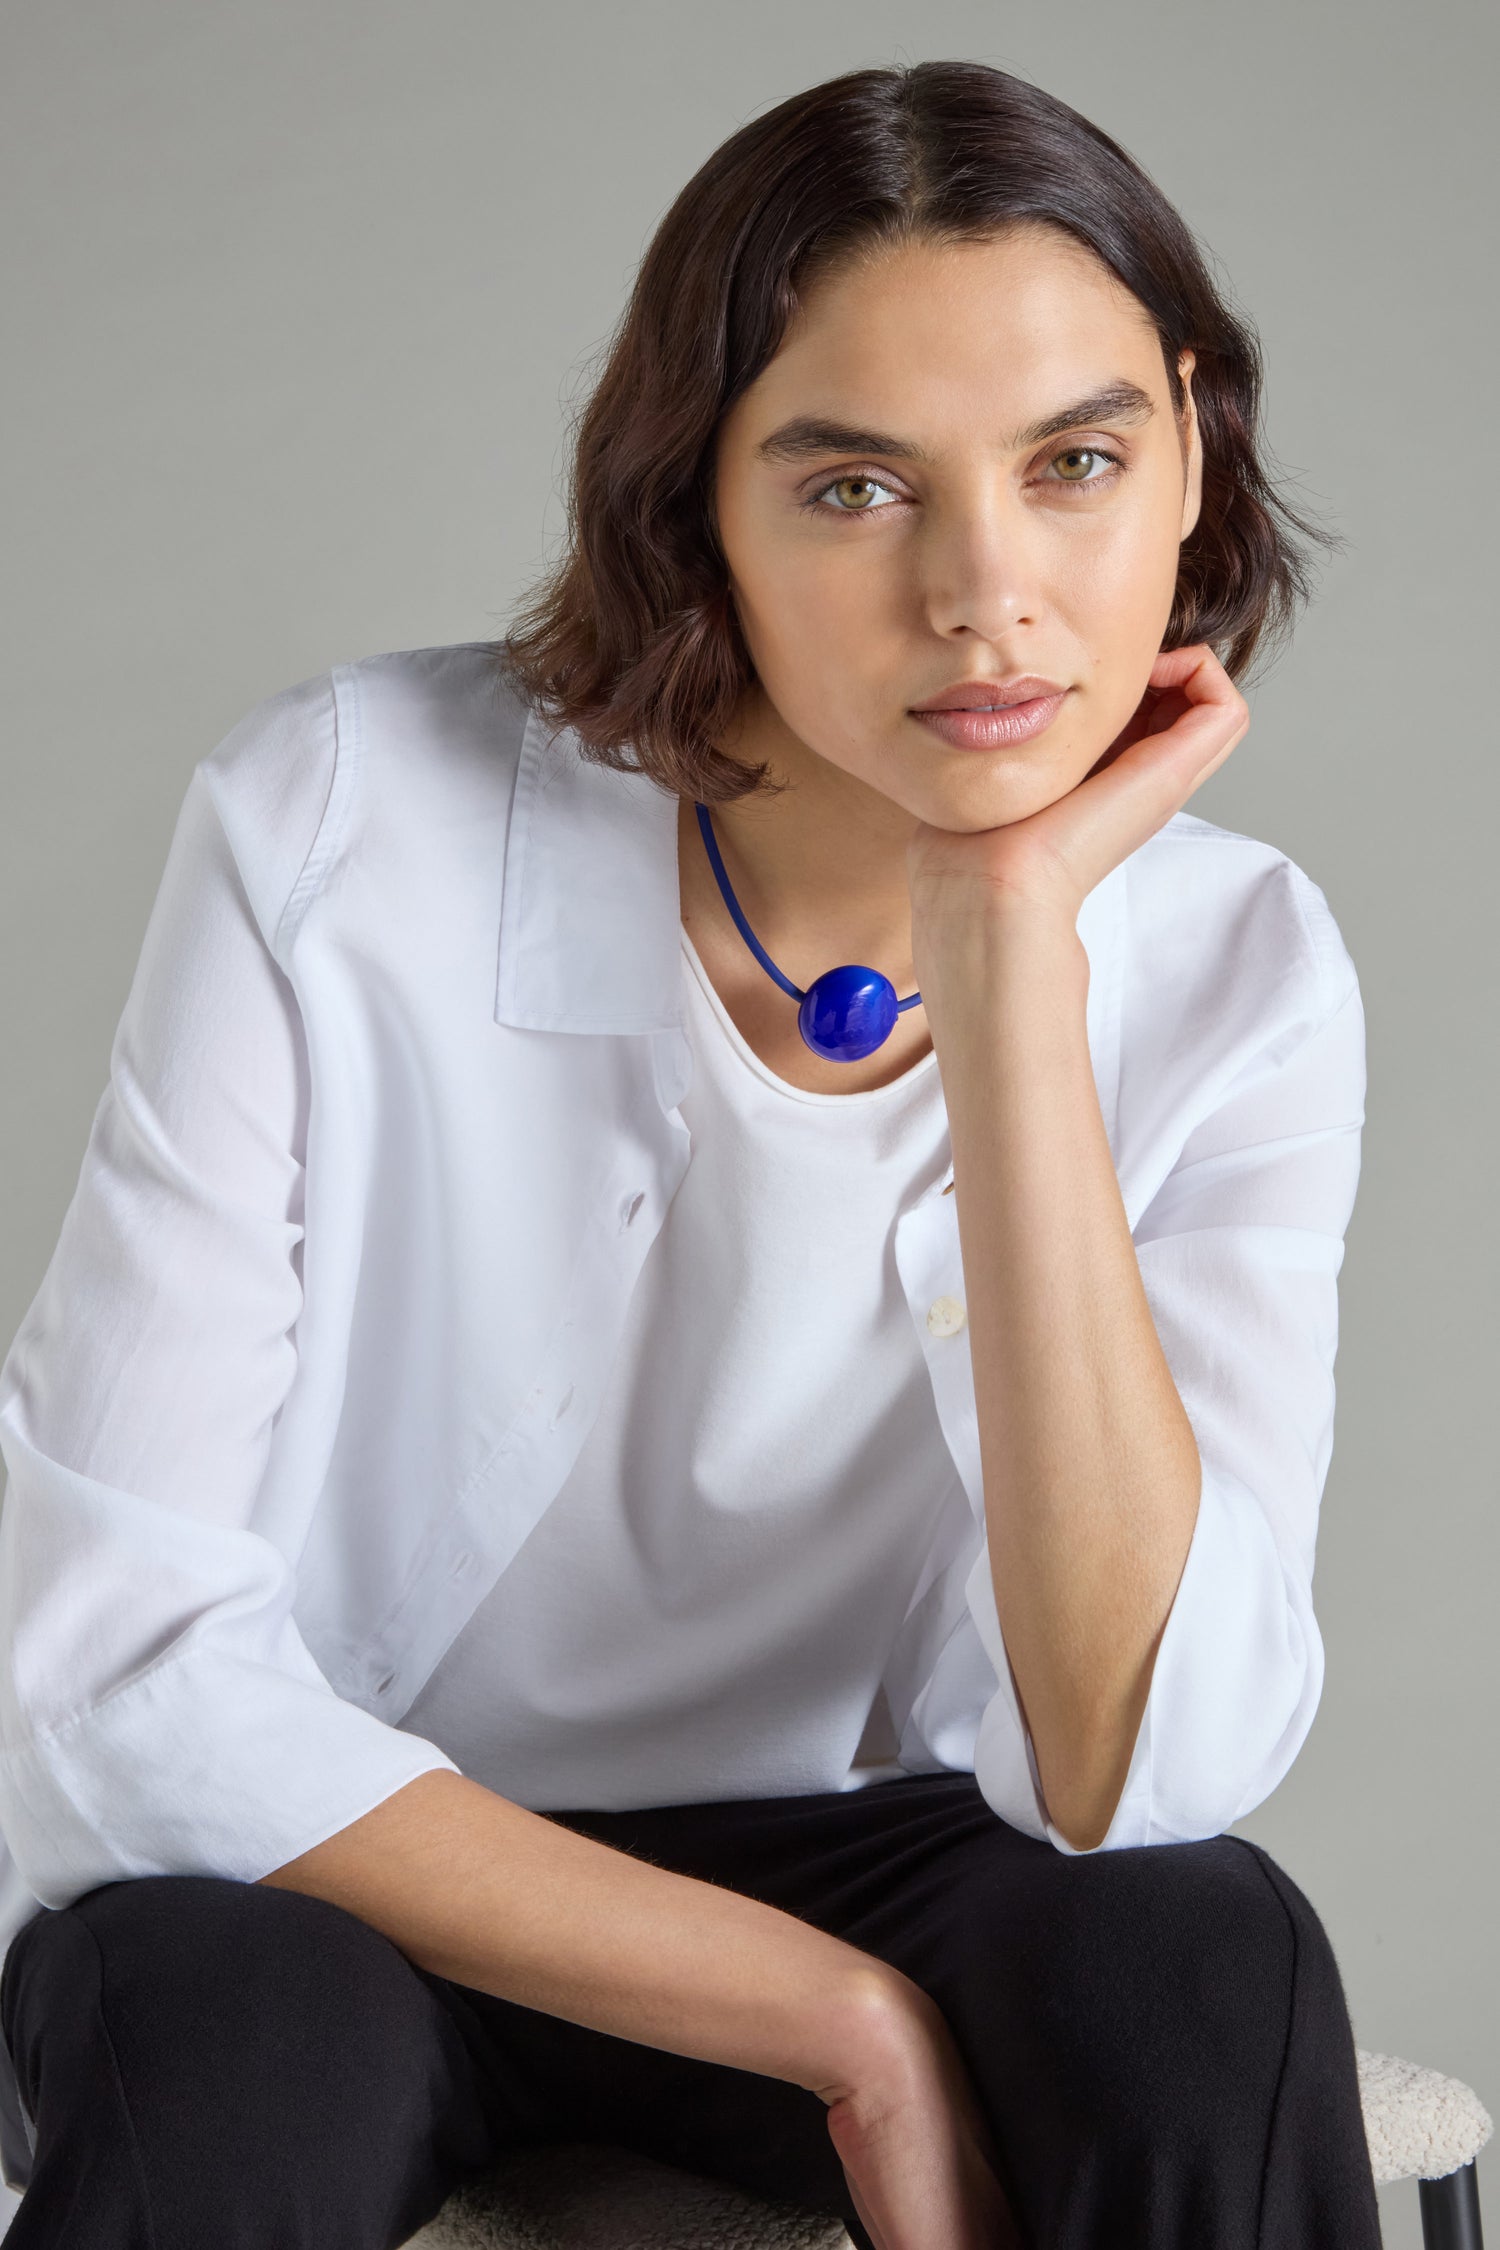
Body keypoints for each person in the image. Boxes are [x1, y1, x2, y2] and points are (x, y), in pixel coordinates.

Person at [0, 56, 1381, 2250]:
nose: (987, 591)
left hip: (890, 1841)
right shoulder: (344, 823)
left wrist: (1012, 963)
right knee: (227, 2048)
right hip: (352, 1852)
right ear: (694, 501)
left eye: (1079, 464)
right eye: (854, 489)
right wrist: (835, 2020)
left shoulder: (1242, 967)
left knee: (1204, 1962)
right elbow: (118, 1664)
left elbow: (1148, 1769)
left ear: (1191, 449)